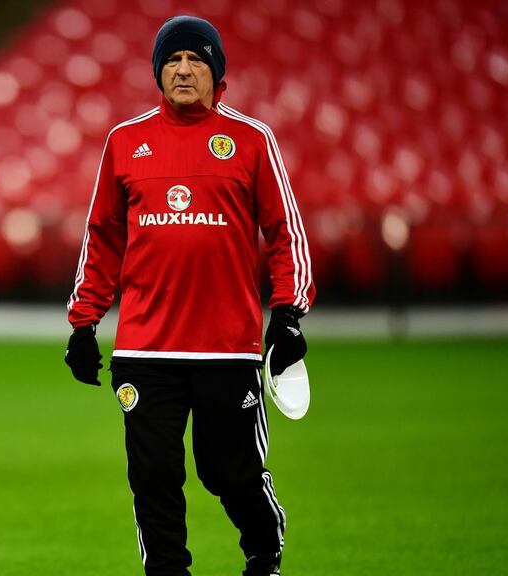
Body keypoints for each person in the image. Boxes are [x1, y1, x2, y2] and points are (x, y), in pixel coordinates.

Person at [63, 15, 315, 576]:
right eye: (172, 60)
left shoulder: (252, 140)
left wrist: (289, 313)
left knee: (227, 471)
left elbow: (285, 232)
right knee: (152, 474)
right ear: (157, 71)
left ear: (216, 72)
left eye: (195, 60)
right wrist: (84, 324)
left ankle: (263, 552)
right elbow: (102, 237)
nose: (182, 70)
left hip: (228, 347)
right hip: (145, 349)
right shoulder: (125, 142)